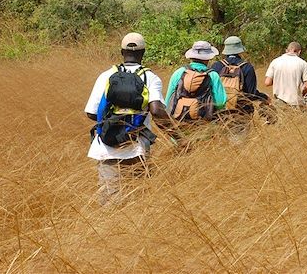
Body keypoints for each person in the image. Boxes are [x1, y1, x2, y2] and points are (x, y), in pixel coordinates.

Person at [85, 32, 183, 205]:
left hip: (106, 148)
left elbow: (91, 113)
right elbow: (157, 111)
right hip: (136, 147)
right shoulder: (150, 77)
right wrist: (178, 137)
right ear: (143, 53)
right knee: (138, 202)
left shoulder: (106, 75)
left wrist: (112, 121)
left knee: (109, 203)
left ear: (122, 52)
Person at [165, 40, 228, 122]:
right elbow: (220, 103)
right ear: (208, 58)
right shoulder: (213, 75)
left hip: (179, 121)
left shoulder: (179, 72)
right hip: (204, 123)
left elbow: (167, 101)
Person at [212, 35, 269, 111]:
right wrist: (264, 97)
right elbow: (251, 94)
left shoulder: (216, 66)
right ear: (240, 50)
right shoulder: (247, 67)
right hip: (242, 110)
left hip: (220, 110)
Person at [264, 41, 307, 108]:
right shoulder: (302, 63)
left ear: (287, 50)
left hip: (279, 102)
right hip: (296, 103)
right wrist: (303, 93)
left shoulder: (275, 62)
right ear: (299, 51)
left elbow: (267, 82)